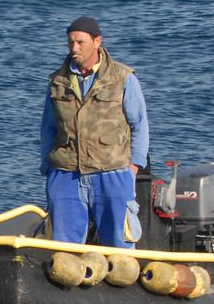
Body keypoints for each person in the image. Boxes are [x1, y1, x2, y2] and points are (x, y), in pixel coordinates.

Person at [40, 16, 149, 247]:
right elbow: (48, 128)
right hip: (65, 175)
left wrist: (132, 169)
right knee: (63, 251)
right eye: (70, 43)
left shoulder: (123, 79)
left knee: (119, 246)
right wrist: (48, 167)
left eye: (80, 42)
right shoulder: (57, 81)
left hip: (112, 173)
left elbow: (139, 125)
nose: (74, 48)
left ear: (97, 41)